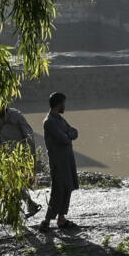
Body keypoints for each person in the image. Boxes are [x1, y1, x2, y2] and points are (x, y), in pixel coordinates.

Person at [0, 105, 42, 218]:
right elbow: (2, 141)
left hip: (19, 157)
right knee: (11, 185)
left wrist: (31, 159)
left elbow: (29, 137)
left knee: (12, 185)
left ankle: (15, 213)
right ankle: (20, 210)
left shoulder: (16, 116)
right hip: (7, 158)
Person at [41, 92, 79, 231]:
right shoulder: (49, 121)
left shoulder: (60, 119)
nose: (65, 106)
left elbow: (74, 131)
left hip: (67, 160)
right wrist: (69, 136)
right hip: (58, 162)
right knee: (58, 191)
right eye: (63, 103)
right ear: (58, 104)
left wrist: (68, 135)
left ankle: (61, 219)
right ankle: (46, 221)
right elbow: (63, 138)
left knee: (67, 188)